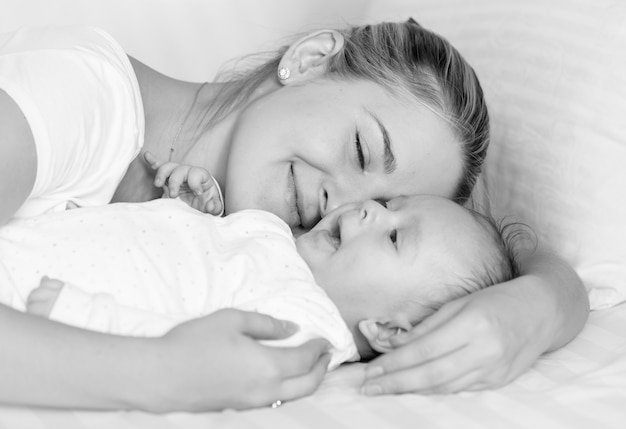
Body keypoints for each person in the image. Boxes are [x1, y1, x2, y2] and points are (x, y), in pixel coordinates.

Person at [0, 18, 589, 412]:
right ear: (310, 60)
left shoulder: (231, 242)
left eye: (383, 210)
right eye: (361, 150)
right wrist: (161, 372)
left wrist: (543, 300)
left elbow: (458, 256)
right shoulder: (78, 100)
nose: (347, 208)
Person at [4, 193, 517, 370]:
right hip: (36, 239)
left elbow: (204, 356)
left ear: (389, 329)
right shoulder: (281, 238)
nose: (370, 210)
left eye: (395, 239)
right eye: (389, 205)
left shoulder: (309, 328)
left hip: (39, 308)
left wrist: (93, 319)